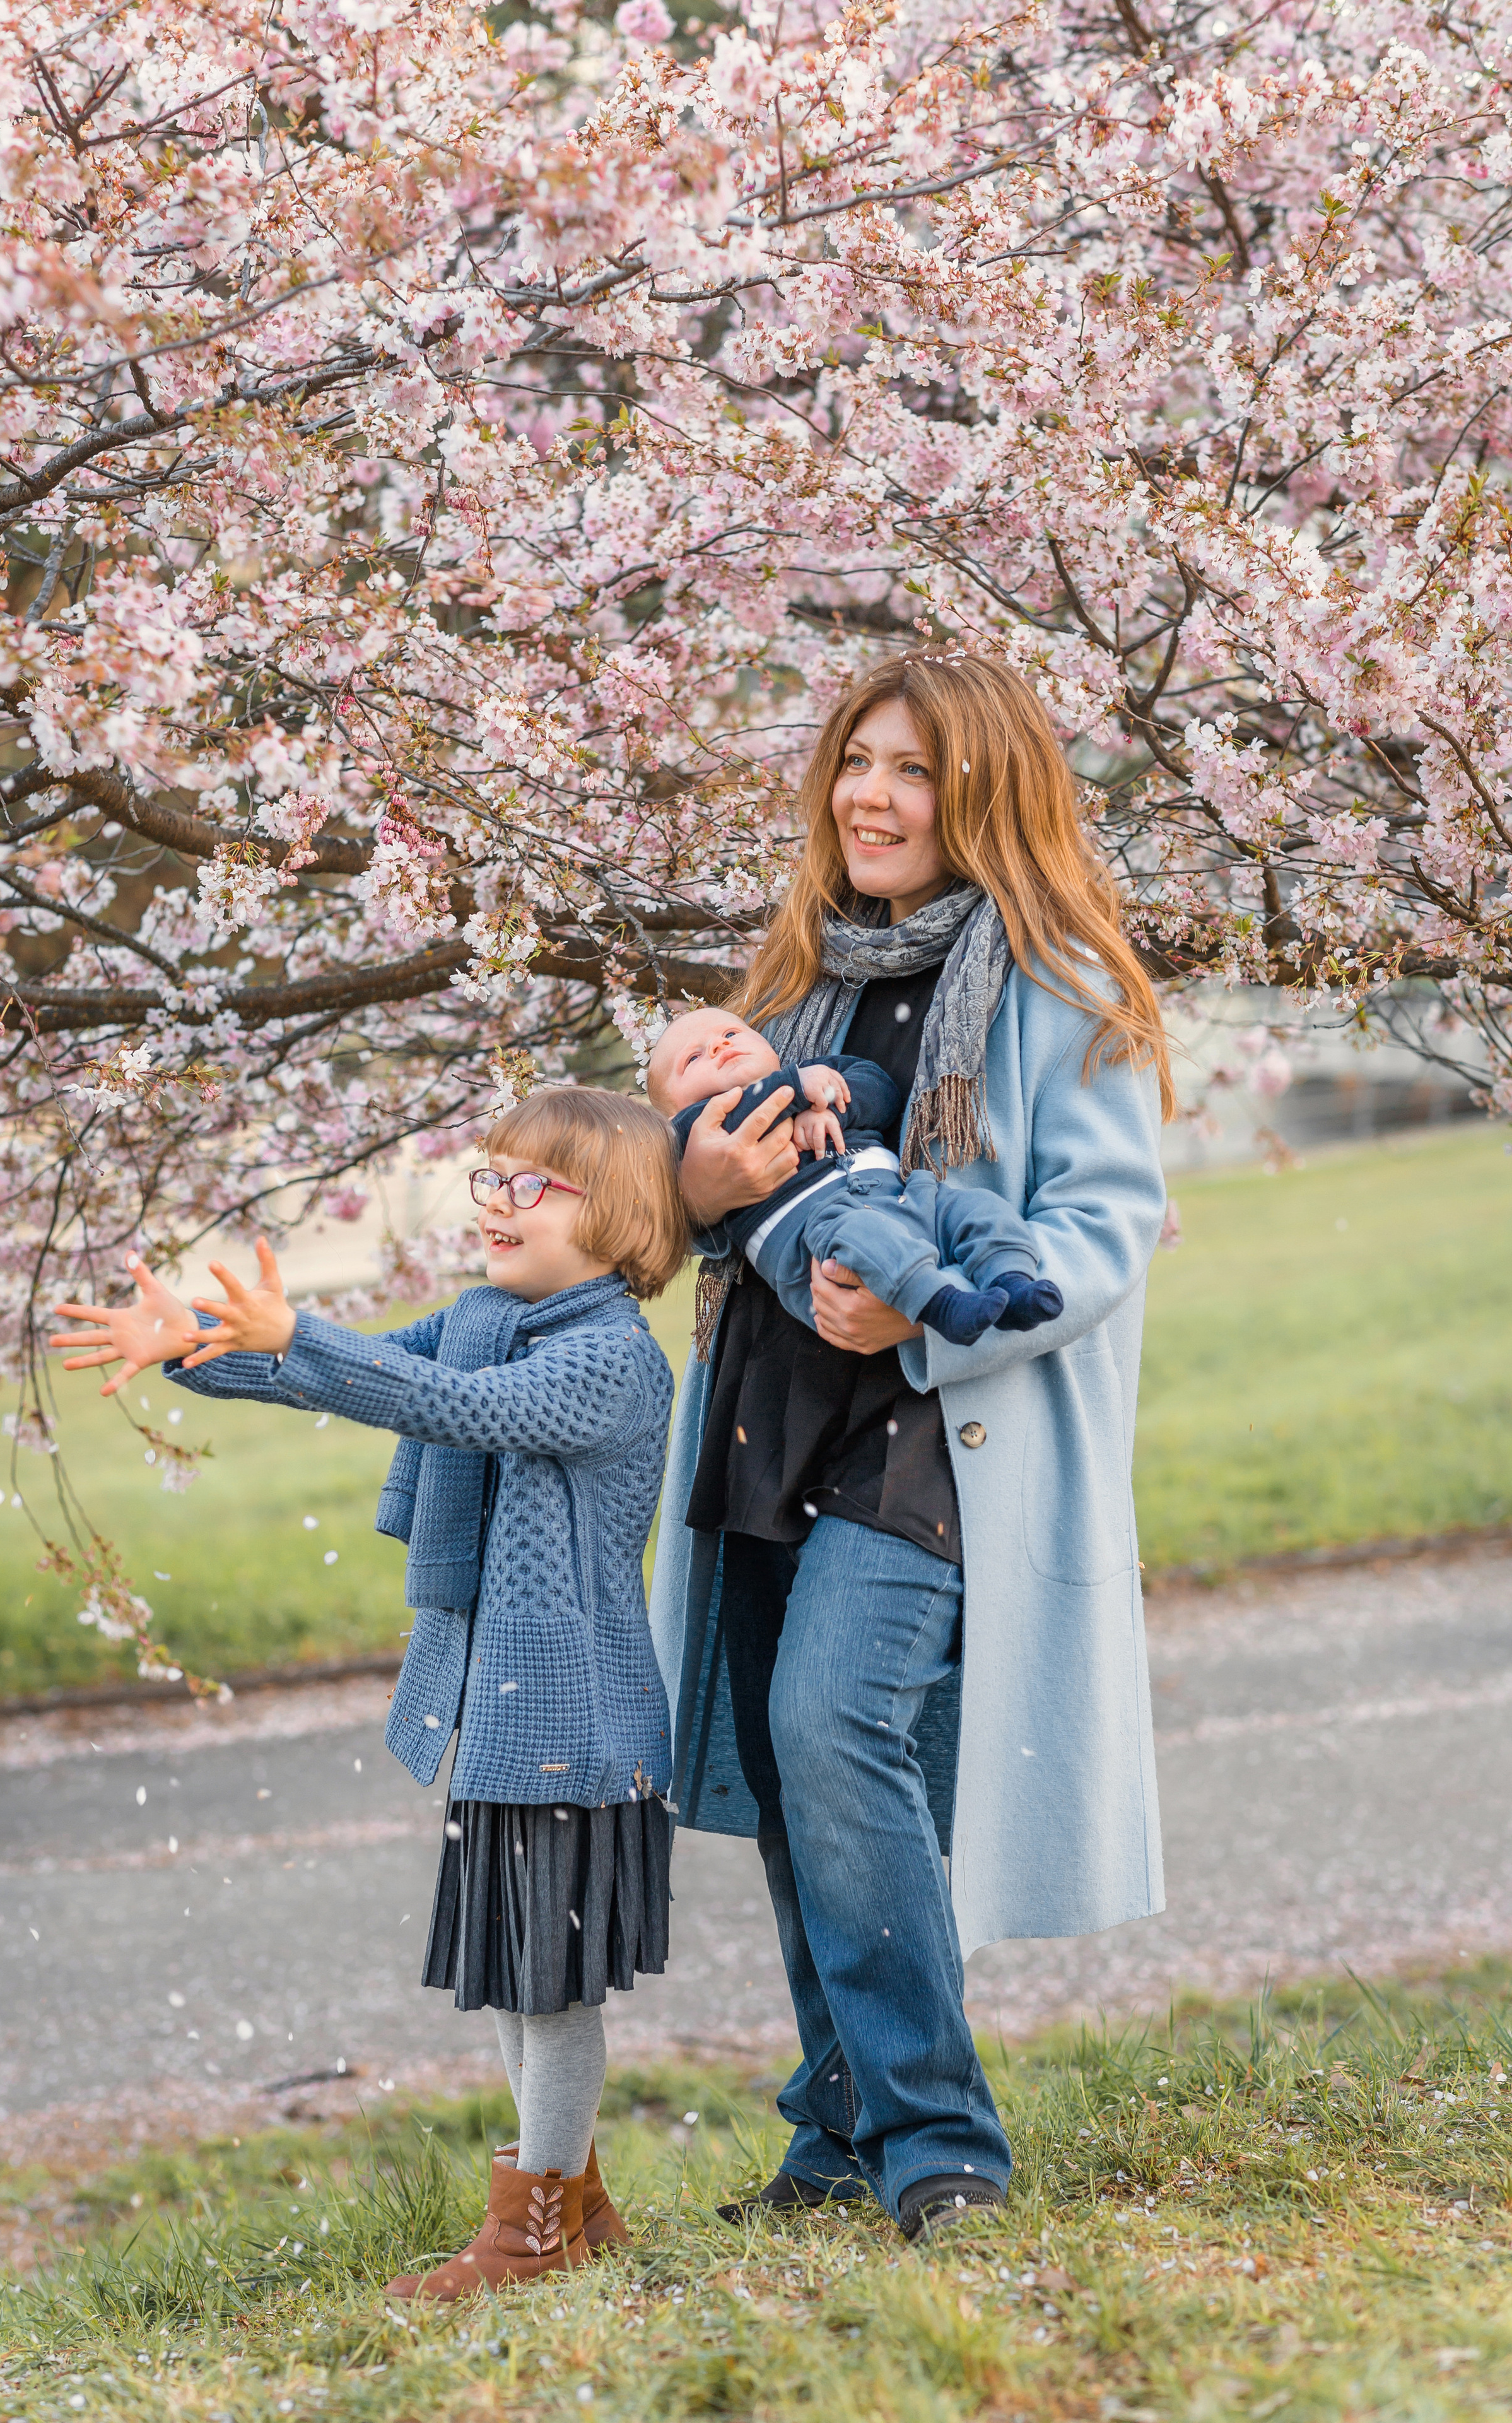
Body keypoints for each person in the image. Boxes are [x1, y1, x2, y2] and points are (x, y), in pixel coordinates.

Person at [648, 650, 1173, 2243]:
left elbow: (1106, 1224)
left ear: (981, 793)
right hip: (763, 1402)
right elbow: (701, 1182)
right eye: (853, 762)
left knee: (830, 1724)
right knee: (780, 1766)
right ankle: (839, 2124)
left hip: (934, 1422)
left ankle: (938, 2135)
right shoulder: (795, 969)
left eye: (912, 770)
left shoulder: (1055, 979)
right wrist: (695, 1199)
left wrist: (925, 1321)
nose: (868, 796)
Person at [50, 1087, 691, 2297]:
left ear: (615, 1216)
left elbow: (437, 1405)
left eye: (530, 1186)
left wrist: (298, 1338)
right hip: (507, 1709)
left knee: (545, 1985)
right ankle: (577, 2204)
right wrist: (190, 1343)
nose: (494, 1204)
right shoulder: (489, 1320)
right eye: (488, 1178)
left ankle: (531, 2232)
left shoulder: (608, 1361)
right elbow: (334, 1377)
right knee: (513, 1967)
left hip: (574, 1715)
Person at [648, 1003, 1064, 1344]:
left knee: (975, 1208)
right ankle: (942, 1305)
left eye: (730, 1034)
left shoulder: (816, 1072)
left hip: (903, 1199)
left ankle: (1012, 1281)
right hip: (820, 1239)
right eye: (694, 1058)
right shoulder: (691, 1135)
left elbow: (879, 1089)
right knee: (862, 1232)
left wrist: (828, 1106)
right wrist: (795, 1087)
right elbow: (742, 1112)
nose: (719, 1047)